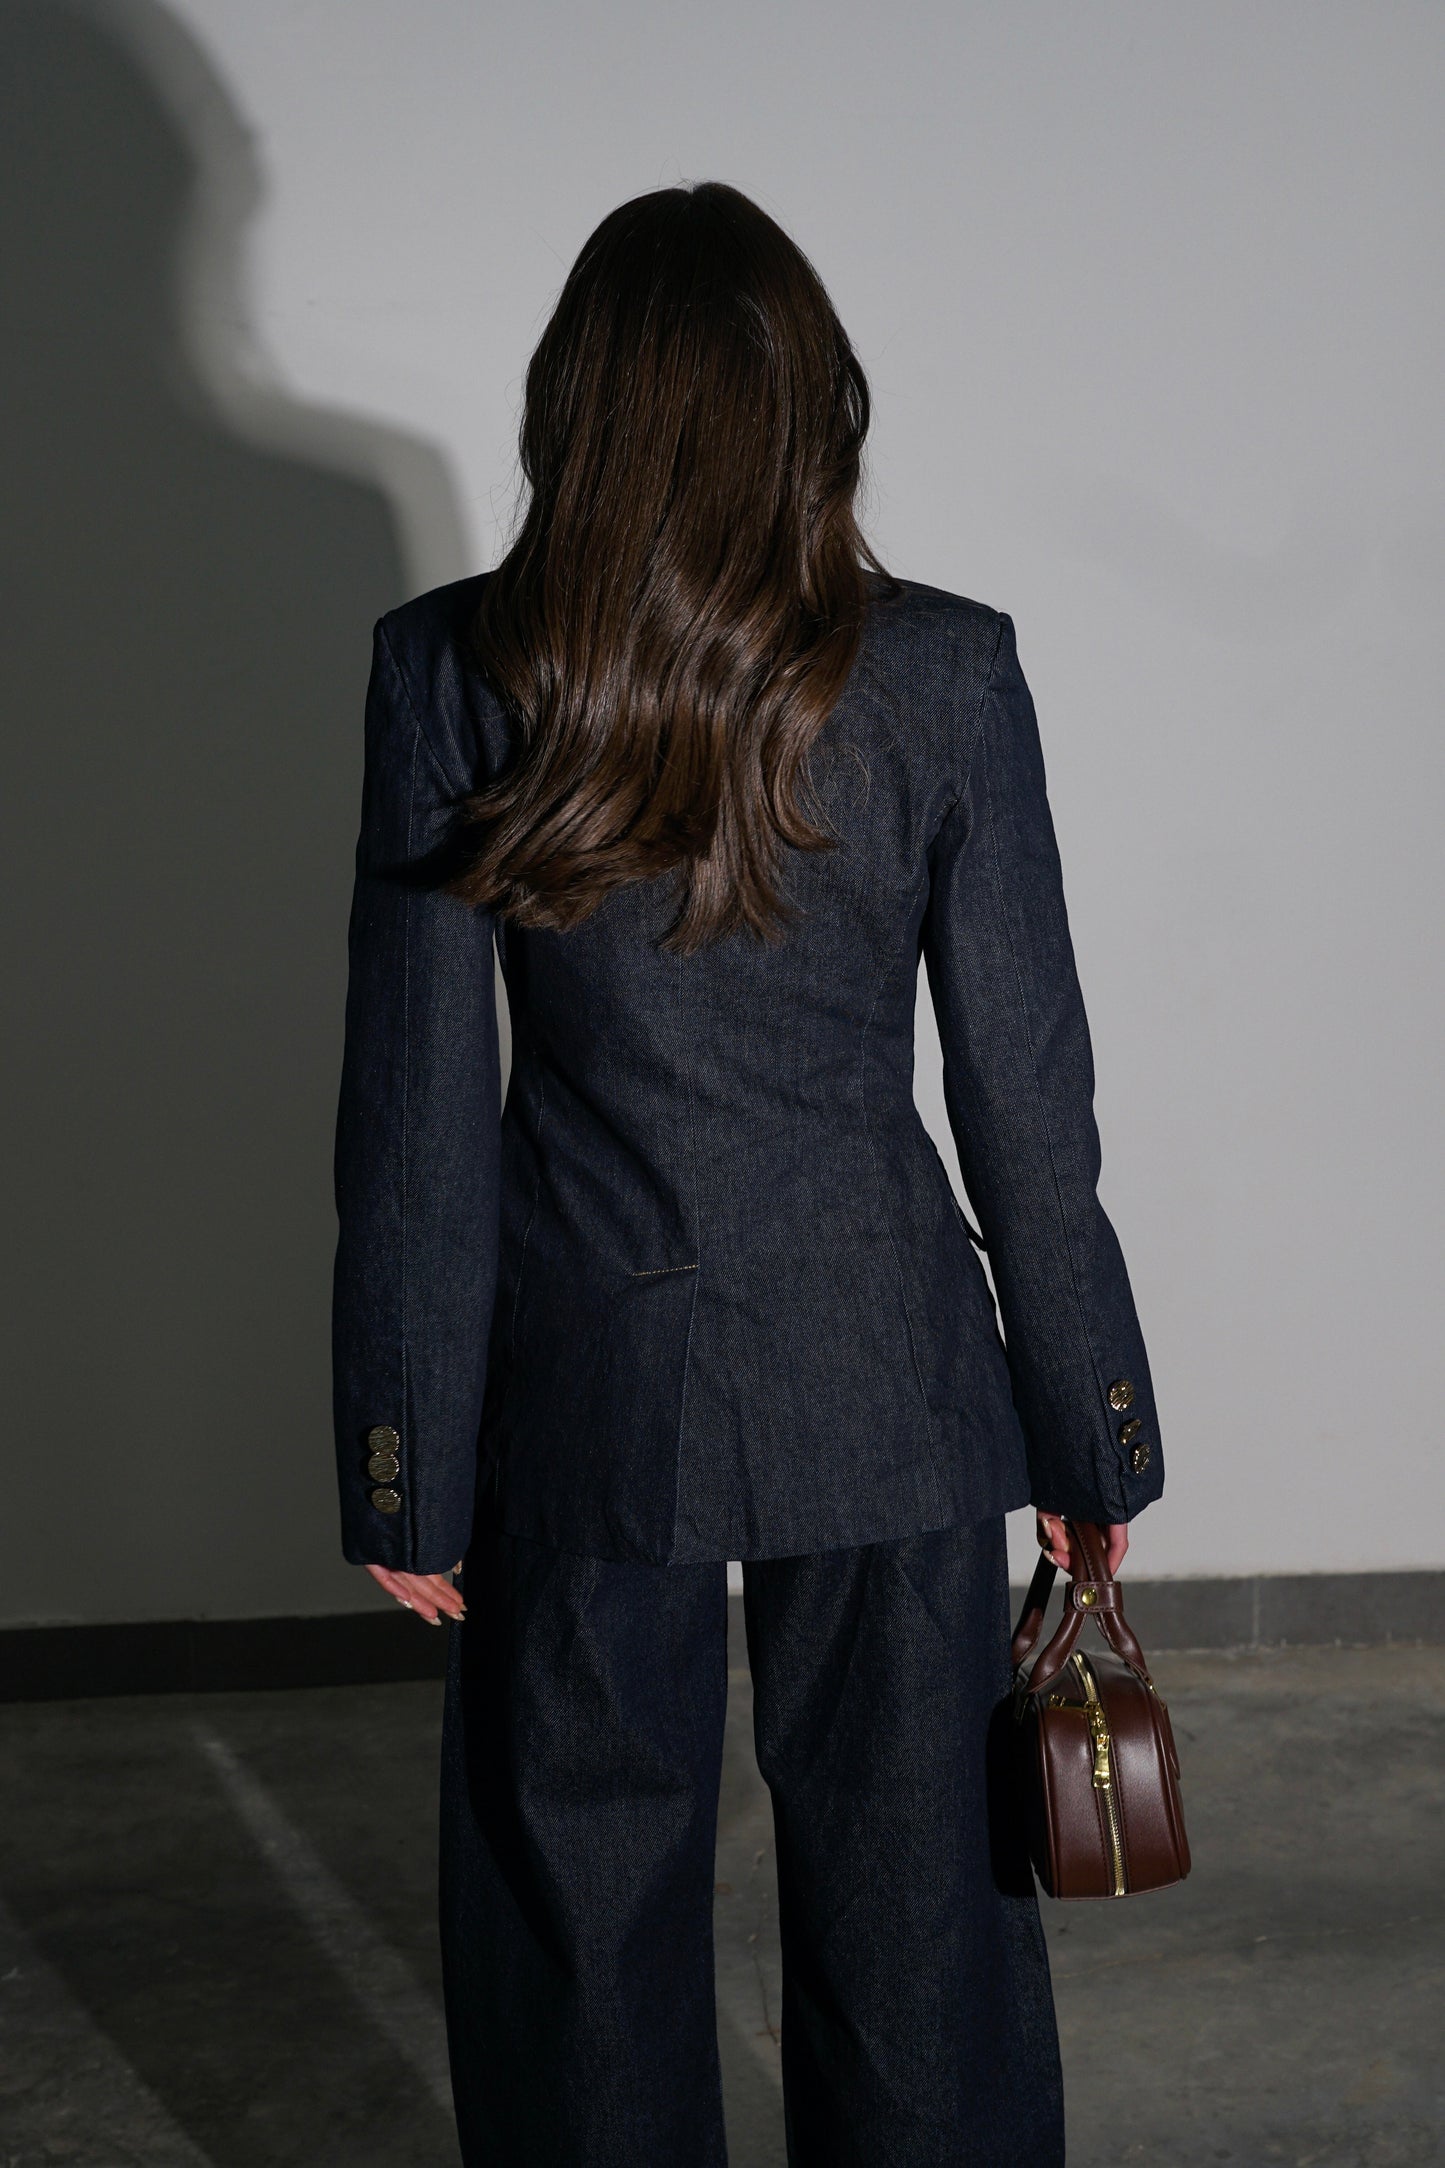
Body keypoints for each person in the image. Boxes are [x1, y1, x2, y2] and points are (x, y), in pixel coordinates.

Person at [330, 180, 1163, 2168]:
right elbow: (1027, 1098)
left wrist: (404, 1448)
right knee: (921, 1908)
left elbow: (416, 1110)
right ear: (818, 405)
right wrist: (1092, 1428)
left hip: (583, 1380)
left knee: (572, 1898)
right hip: (884, 1371)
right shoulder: (946, 672)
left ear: (574, 406)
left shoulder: (454, 667)